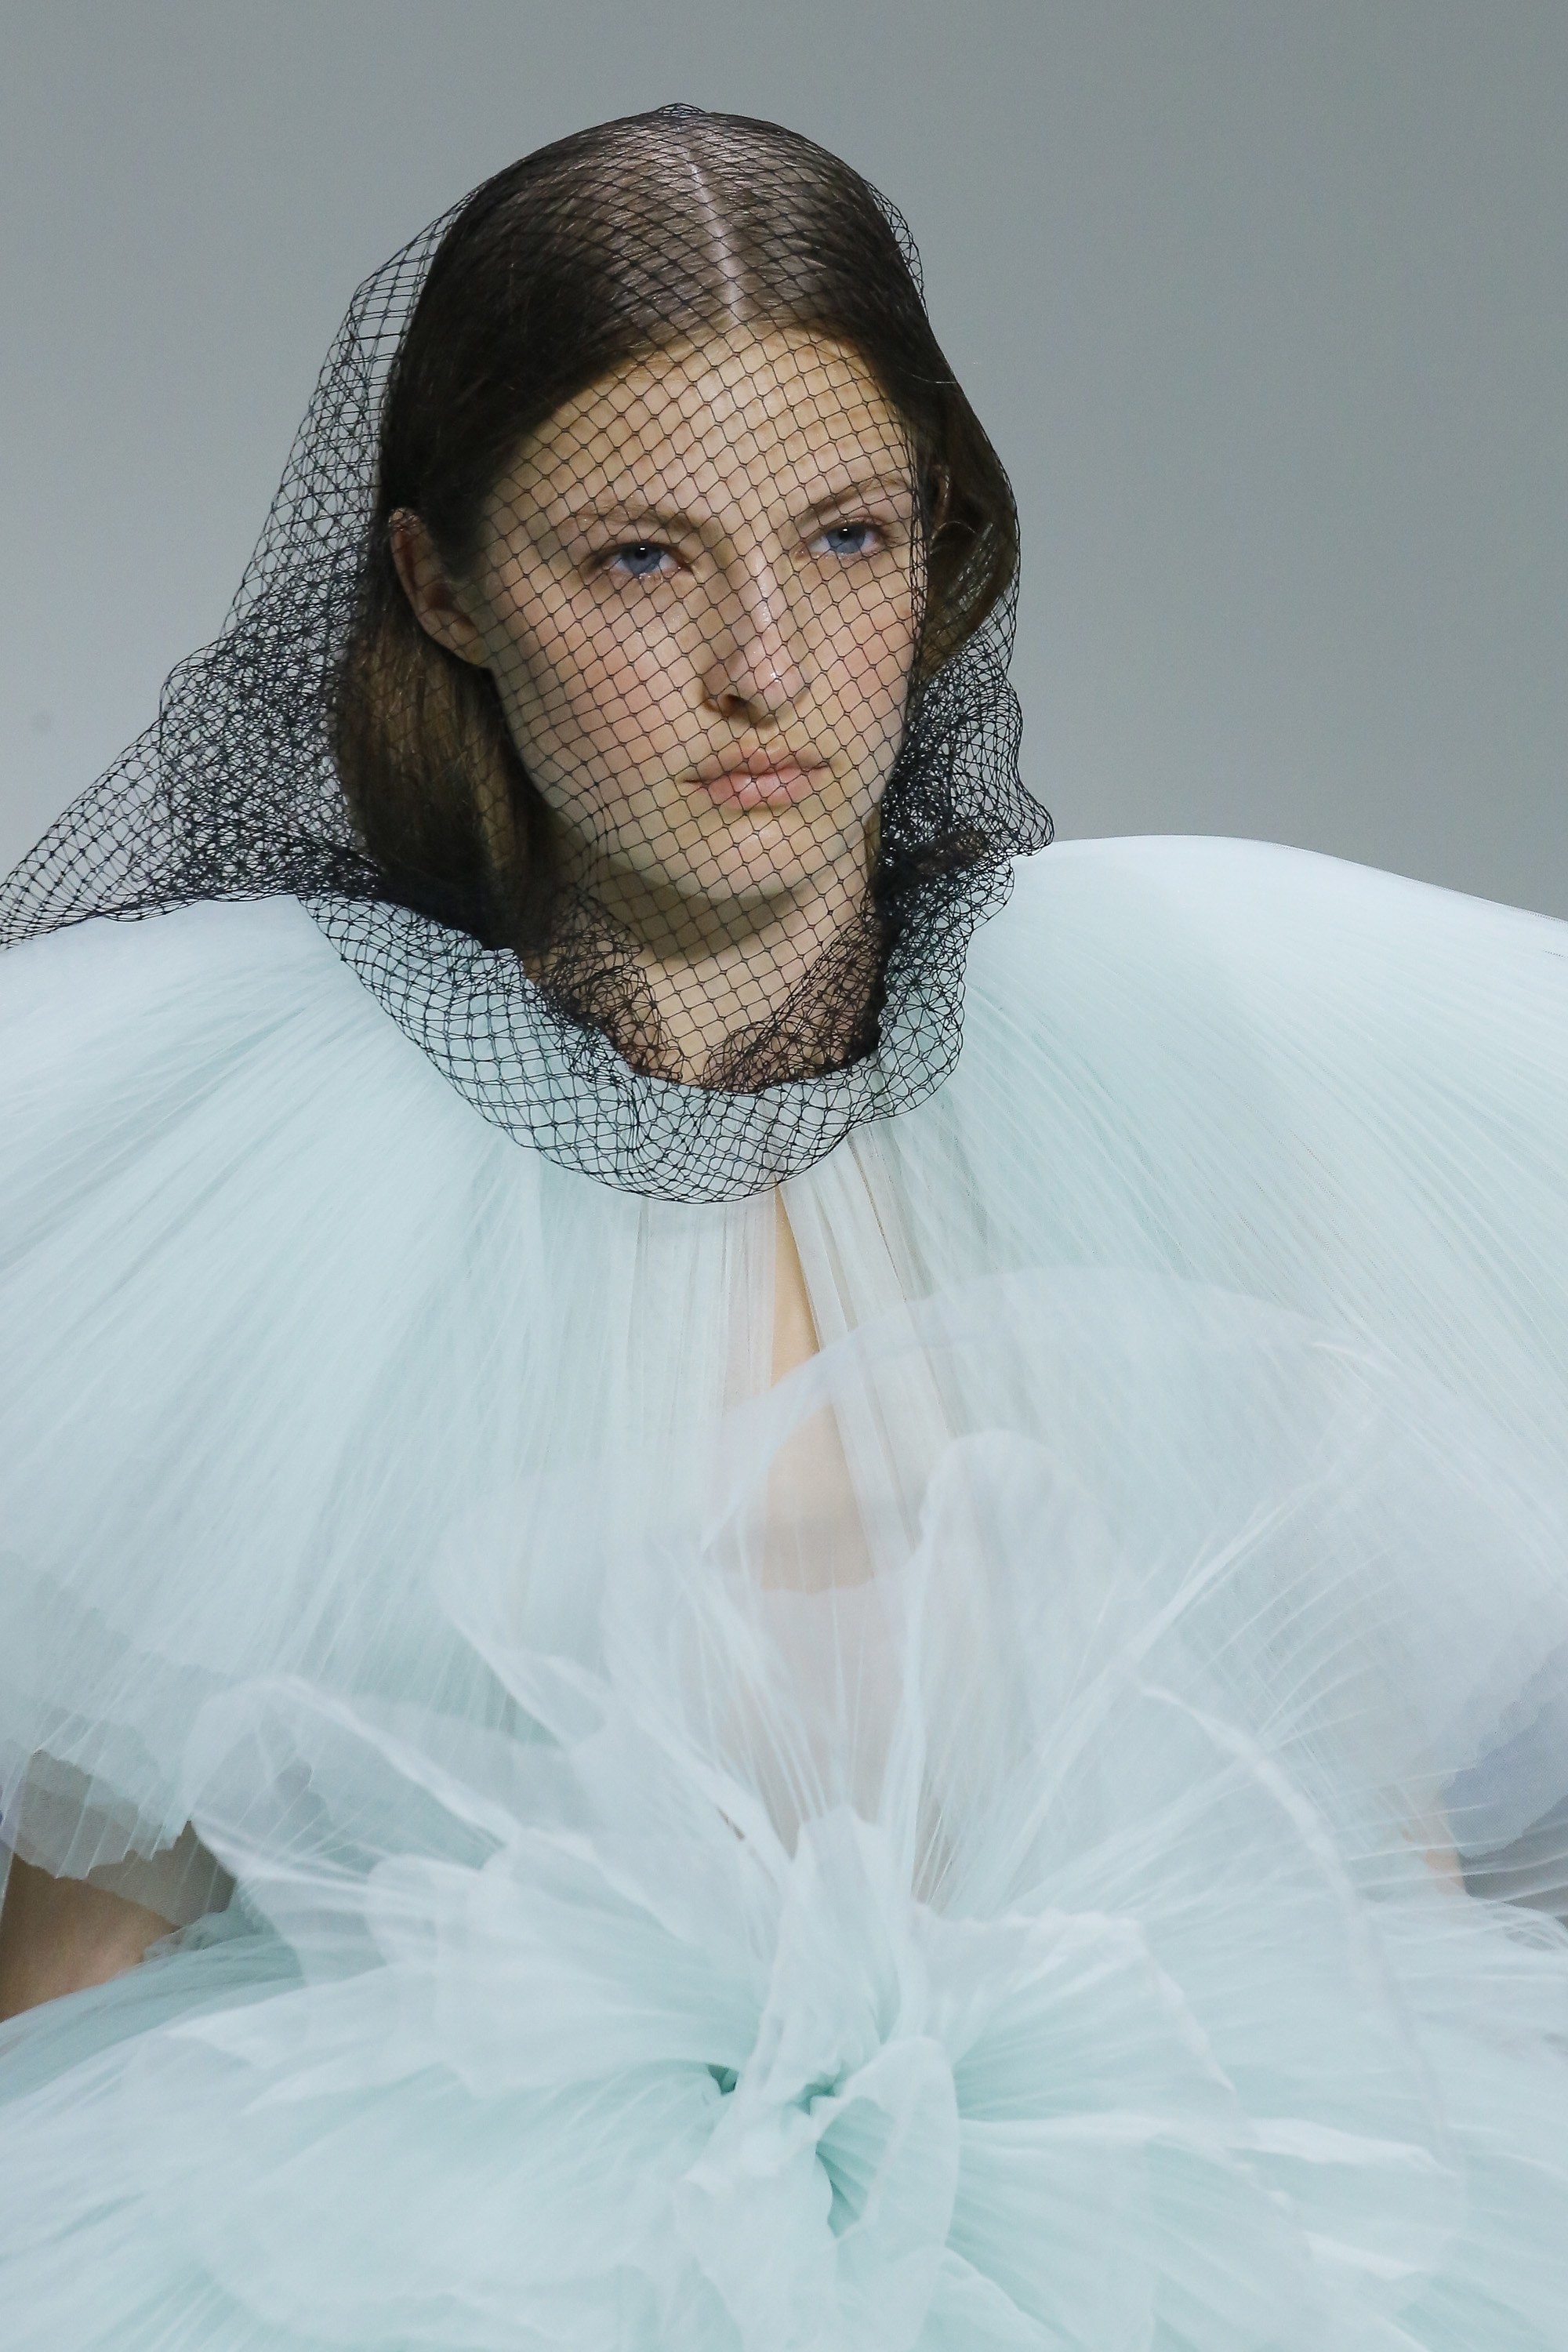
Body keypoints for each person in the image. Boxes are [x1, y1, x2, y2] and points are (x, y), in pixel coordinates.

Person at [0, 103, 1565, 2350]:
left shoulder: (1182, 1062)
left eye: (846, 536)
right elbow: (80, 1982)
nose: (767, 663)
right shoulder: (267, 1173)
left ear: (942, 547)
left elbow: (1371, 1885)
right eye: (641, 560)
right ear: (443, 589)